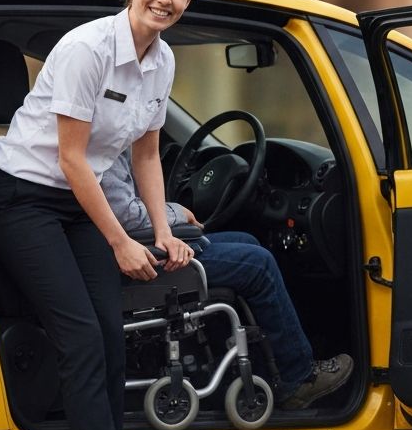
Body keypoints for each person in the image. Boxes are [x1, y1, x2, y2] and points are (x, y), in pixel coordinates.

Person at [0, 0, 200, 430]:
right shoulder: (86, 48)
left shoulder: (162, 62)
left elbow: (148, 155)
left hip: (80, 204)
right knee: (80, 339)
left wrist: (161, 233)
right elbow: (72, 159)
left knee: (108, 336)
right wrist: (121, 241)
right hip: (25, 197)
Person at [101, 148, 353, 410]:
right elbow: (126, 215)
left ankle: (262, 367)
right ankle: (297, 378)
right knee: (259, 264)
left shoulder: (114, 139)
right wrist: (178, 213)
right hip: (138, 260)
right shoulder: (103, 144)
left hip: (140, 246)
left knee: (247, 242)